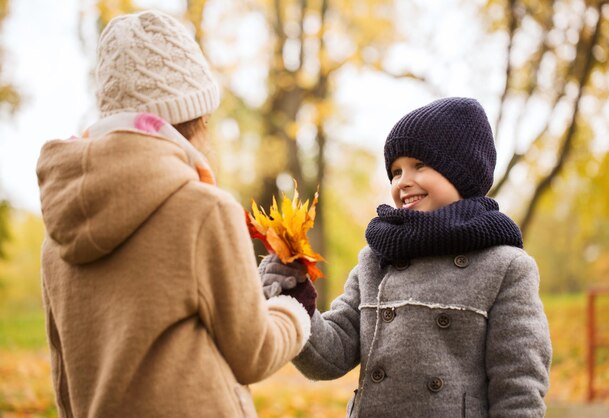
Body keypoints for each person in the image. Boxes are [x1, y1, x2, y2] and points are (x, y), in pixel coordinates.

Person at [36, 10, 311, 418]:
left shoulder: (56, 239)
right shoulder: (205, 211)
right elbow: (253, 354)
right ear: (197, 118)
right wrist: (292, 306)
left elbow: (64, 386)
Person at [261, 97, 552, 417]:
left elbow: (518, 386)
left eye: (420, 165)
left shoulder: (505, 267)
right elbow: (332, 355)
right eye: (396, 171)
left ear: (462, 173)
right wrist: (296, 299)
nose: (403, 181)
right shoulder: (375, 260)